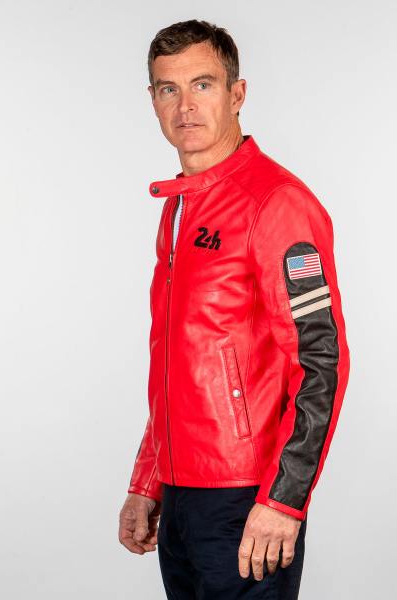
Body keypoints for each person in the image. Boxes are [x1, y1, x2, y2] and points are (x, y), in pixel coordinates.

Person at [118, 19, 350, 599]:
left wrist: (284, 500)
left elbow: (321, 363)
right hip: (180, 499)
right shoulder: (179, 208)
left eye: (202, 84)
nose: (185, 106)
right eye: (168, 89)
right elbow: (179, 363)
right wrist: (149, 480)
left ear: (237, 93)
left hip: (247, 499)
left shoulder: (276, 203)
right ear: (152, 99)